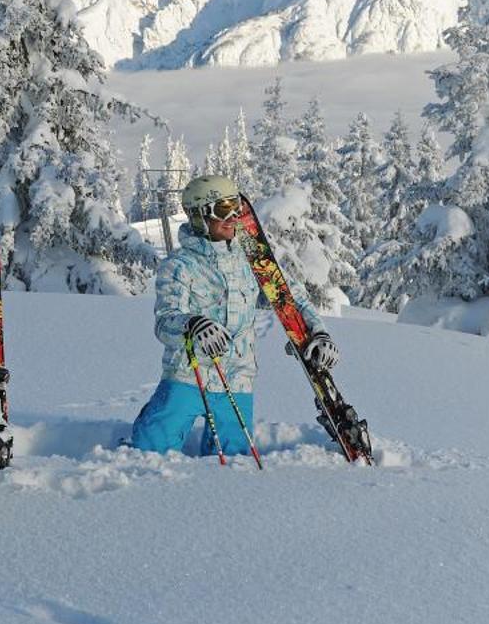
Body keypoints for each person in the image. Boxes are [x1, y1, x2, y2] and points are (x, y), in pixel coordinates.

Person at [130, 173, 339, 456]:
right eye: (221, 209)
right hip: (188, 375)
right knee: (149, 448)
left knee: (234, 458)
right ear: (199, 216)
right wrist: (191, 324)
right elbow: (165, 322)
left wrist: (318, 331)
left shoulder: (252, 261)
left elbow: (291, 299)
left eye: (235, 207)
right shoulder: (180, 266)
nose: (232, 216)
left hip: (237, 377)